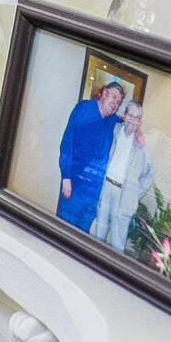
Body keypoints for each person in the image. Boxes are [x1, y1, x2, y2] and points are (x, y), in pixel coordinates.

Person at [54, 78, 127, 235]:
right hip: (75, 186)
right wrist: (66, 177)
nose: (115, 104)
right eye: (113, 97)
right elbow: (67, 143)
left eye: (119, 102)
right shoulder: (84, 109)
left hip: (94, 193)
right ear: (104, 93)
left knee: (81, 238)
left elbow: (126, 122)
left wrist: (138, 132)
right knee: (63, 232)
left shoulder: (111, 120)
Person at [93, 96, 151, 254]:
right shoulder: (114, 130)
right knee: (100, 230)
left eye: (137, 118)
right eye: (130, 115)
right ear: (124, 115)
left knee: (118, 240)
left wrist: (134, 194)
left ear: (140, 122)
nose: (133, 120)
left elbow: (148, 177)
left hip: (125, 194)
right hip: (106, 186)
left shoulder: (143, 146)